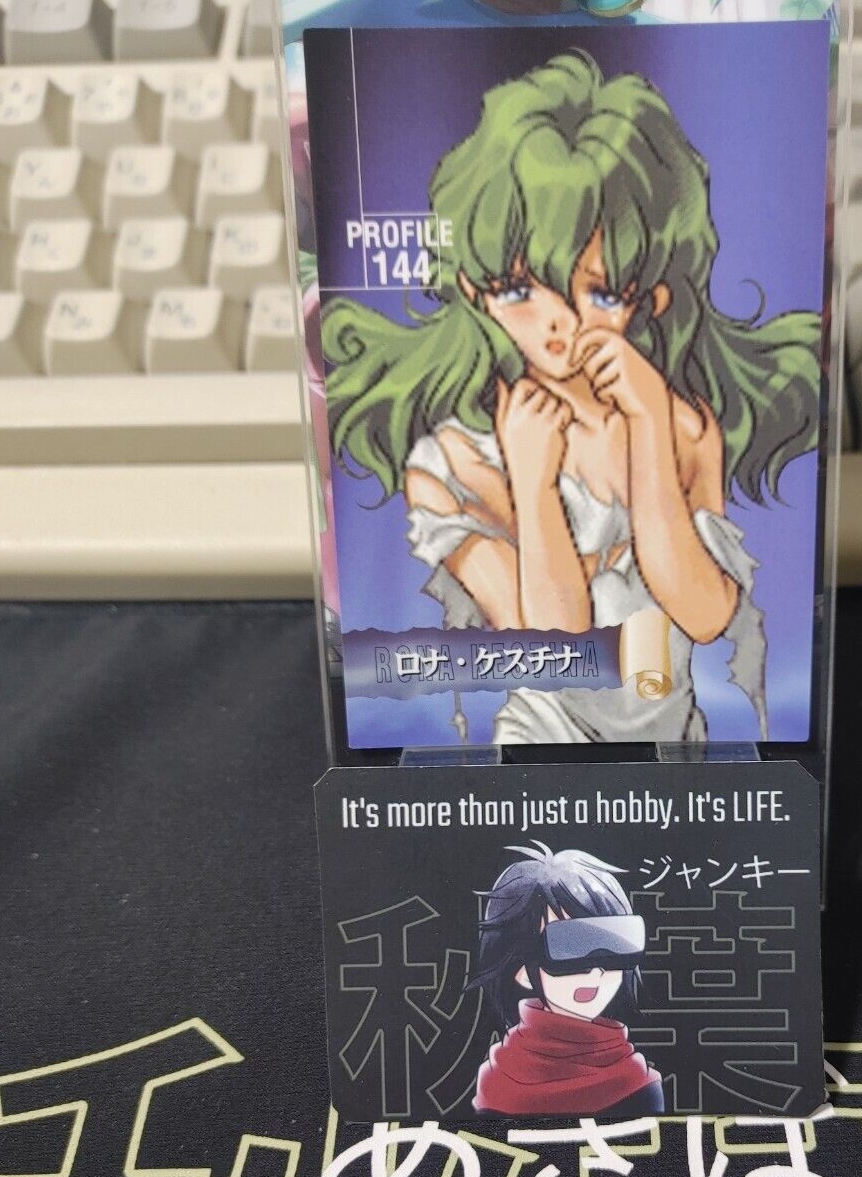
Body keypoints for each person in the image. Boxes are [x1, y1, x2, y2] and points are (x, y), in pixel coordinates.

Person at [323, 51, 820, 742]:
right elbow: (554, 647)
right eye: (519, 289)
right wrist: (531, 484)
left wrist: (648, 426)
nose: (559, 322)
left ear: (648, 299)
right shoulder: (453, 463)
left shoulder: (681, 426)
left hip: (678, 748)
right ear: (475, 291)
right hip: (542, 741)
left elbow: (706, 614)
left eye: (601, 291)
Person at [468, 842, 664, 1117]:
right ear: (522, 969)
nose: (595, 970)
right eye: (569, 946)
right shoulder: (498, 1080)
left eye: (612, 944)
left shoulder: (638, 1082)